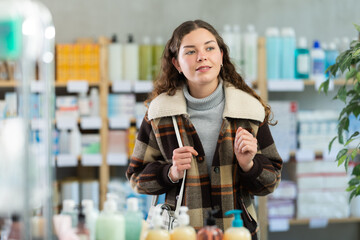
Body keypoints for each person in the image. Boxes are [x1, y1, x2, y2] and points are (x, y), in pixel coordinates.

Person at [126, 19, 282, 240]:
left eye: (209, 48)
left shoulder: (248, 111)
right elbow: (136, 177)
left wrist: (249, 165)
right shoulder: (159, 114)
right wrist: (170, 173)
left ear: (221, 56)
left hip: (236, 232)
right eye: (190, 52)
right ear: (177, 64)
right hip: (181, 233)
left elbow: (272, 180)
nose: (202, 56)